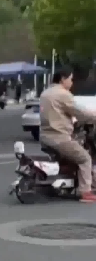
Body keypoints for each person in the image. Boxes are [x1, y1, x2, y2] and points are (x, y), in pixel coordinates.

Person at [40, 66, 96, 203]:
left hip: (45, 136)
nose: (72, 82)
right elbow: (80, 112)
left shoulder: (45, 93)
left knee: (73, 155)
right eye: (71, 79)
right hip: (59, 137)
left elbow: (58, 113)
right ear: (63, 79)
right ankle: (86, 192)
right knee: (85, 158)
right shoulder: (62, 94)